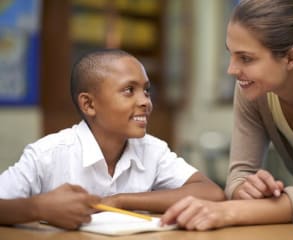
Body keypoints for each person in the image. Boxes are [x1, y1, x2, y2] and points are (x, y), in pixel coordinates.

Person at [161, 0, 293, 236]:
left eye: (245, 58)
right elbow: (239, 173)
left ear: (291, 58)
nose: (232, 70)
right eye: (231, 55)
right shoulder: (254, 88)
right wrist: (246, 190)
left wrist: (226, 212)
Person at [0, 49, 225, 230]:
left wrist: (119, 200)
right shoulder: (48, 154)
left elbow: (211, 192)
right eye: (129, 90)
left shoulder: (152, 150)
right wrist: (39, 208)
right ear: (89, 104)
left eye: (146, 91)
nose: (145, 102)